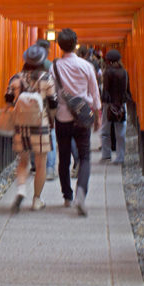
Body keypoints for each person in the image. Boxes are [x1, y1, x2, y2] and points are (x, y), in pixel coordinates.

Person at [51, 29, 101, 216]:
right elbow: (95, 92)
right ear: (76, 43)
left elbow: (52, 94)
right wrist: (97, 115)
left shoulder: (54, 67)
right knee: (85, 157)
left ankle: (67, 196)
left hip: (62, 116)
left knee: (63, 157)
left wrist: (50, 116)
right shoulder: (85, 66)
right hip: (83, 116)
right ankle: (81, 192)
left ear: (59, 45)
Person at [5, 44, 58, 212]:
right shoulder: (46, 78)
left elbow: (8, 99)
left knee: (23, 161)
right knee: (41, 164)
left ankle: (21, 189)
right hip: (41, 126)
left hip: (21, 126)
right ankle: (37, 199)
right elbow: (53, 102)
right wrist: (52, 119)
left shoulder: (16, 78)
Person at [99, 49, 131, 165]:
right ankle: (120, 157)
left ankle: (106, 155)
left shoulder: (108, 72)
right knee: (121, 132)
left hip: (109, 104)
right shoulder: (124, 72)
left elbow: (106, 90)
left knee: (105, 130)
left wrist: (102, 102)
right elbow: (127, 90)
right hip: (121, 104)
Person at [34, 38, 57, 180]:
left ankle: (35, 165)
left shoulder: (29, 65)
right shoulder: (50, 66)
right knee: (50, 135)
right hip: (47, 104)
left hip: (32, 105)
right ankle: (49, 168)